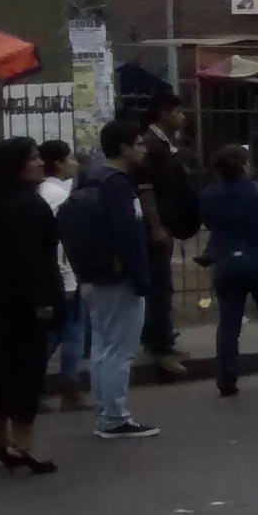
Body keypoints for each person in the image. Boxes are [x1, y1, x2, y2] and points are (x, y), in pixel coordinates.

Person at [0, 136, 61, 473]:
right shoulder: (28, 204)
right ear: (17, 166)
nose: (40, 163)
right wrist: (44, 301)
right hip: (23, 302)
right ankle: (24, 443)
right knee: (25, 371)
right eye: (33, 159)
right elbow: (32, 258)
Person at [71, 120, 159, 438]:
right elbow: (128, 233)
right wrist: (141, 275)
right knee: (120, 349)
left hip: (92, 273)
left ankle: (105, 412)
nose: (143, 148)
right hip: (119, 276)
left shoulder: (87, 178)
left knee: (102, 347)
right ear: (123, 148)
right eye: (138, 143)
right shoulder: (117, 183)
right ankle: (114, 417)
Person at [199, 143, 258, 397]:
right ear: (245, 165)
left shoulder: (210, 195)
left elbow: (209, 221)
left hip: (227, 262)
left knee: (228, 323)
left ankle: (226, 378)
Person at [133, 88, 199, 376]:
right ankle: (158, 346)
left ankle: (164, 340)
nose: (182, 117)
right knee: (159, 287)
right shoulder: (151, 144)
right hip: (156, 228)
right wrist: (156, 226)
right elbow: (145, 188)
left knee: (165, 285)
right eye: (177, 112)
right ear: (163, 113)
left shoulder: (164, 143)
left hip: (169, 223)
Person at [34, 137, 86, 412]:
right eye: (70, 159)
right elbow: (62, 242)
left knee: (55, 334)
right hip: (65, 276)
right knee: (70, 333)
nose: (75, 164)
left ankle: (41, 386)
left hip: (52, 275)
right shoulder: (61, 196)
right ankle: (69, 388)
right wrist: (70, 275)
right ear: (60, 163)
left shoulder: (40, 192)